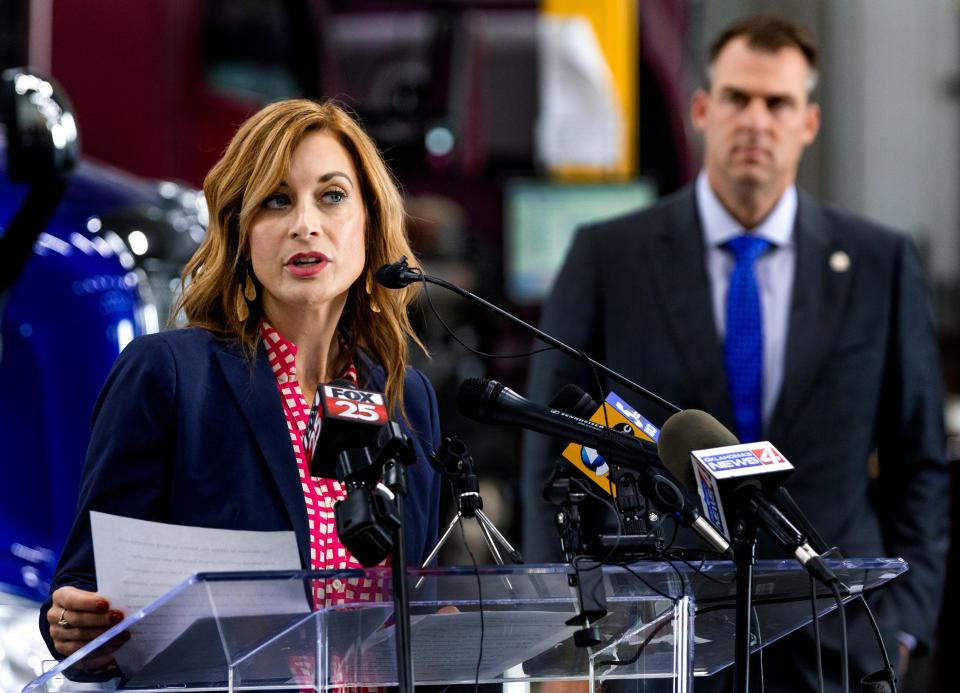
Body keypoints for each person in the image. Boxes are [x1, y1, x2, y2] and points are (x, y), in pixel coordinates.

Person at [523, 15, 948, 692]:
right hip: (656, 643)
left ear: (808, 122)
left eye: (777, 103)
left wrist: (901, 624)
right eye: (736, 98)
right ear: (701, 109)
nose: (755, 120)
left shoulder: (878, 263)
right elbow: (553, 455)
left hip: (837, 644)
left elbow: (919, 462)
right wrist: (566, 637)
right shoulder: (608, 258)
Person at [39, 99, 441, 674]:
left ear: (370, 223)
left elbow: (415, 605)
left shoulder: (408, 398)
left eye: (331, 196)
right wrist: (75, 625)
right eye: (276, 201)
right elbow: (82, 594)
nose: (306, 223)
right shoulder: (168, 375)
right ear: (241, 232)